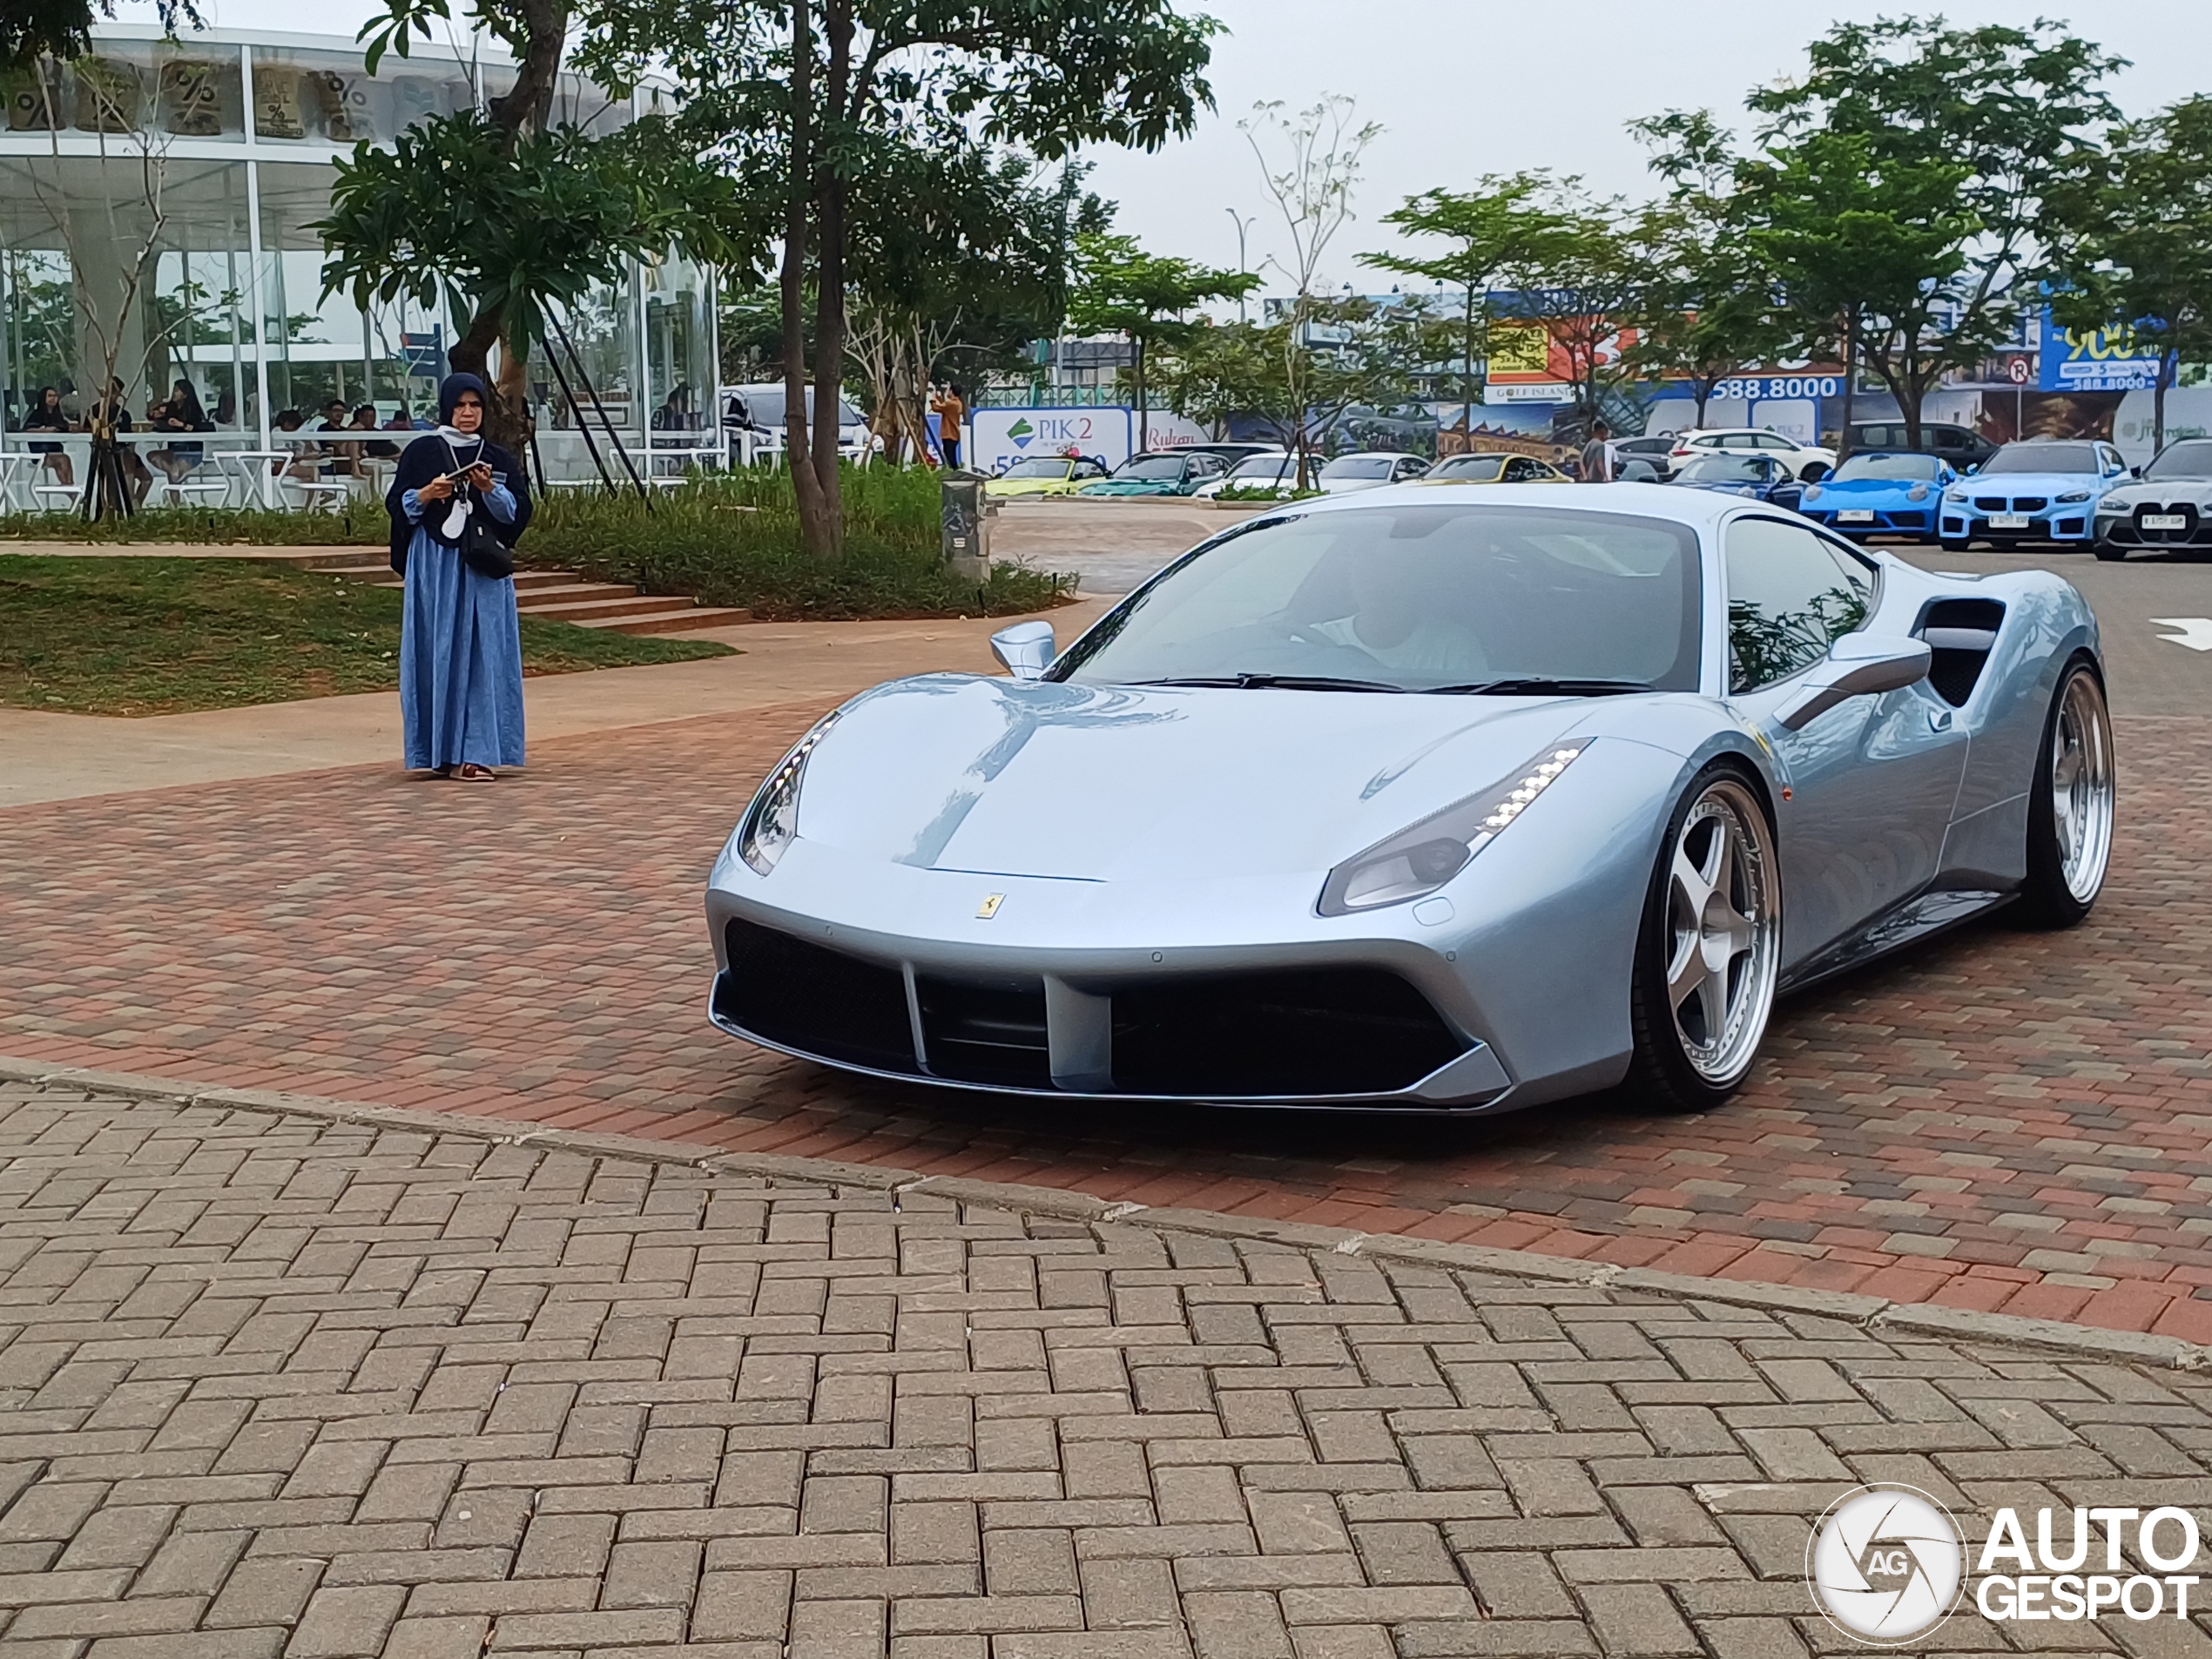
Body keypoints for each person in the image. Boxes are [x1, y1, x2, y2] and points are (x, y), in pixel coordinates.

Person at [386, 372, 532, 781]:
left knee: (483, 654)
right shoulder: (422, 452)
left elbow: (518, 514)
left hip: (483, 569)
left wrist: (490, 490)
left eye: (475, 405)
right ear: (447, 407)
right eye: (460, 405)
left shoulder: (497, 457)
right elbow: (399, 506)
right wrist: (427, 494)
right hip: (435, 566)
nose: (468, 414)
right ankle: (437, 750)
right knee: (438, 652)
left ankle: (477, 750)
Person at [146, 378, 212, 485]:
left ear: (185, 395)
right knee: (154, 457)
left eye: (177, 390)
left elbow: (199, 428)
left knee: (174, 476)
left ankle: (176, 499)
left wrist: (181, 424)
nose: (173, 393)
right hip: (173, 449)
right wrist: (156, 415)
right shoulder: (171, 408)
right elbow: (152, 416)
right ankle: (172, 471)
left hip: (191, 451)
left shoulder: (194, 411)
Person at [20, 385, 71, 489]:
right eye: (50, 396)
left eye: (55, 396)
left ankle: (72, 493)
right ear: (44, 398)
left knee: (61, 468)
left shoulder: (58, 415)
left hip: (55, 450)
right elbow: (27, 429)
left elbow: (64, 427)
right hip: (40, 452)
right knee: (64, 460)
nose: (53, 398)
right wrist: (44, 430)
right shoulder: (37, 414)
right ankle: (73, 492)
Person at [932, 381, 965, 469]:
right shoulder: (957, 403)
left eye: (948, 390)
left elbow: (936, 408)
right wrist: (939, 399)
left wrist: (933, 399)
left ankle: (956, 473)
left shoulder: (952, 404)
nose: (947, 392)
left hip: (950, 435)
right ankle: (955, 472)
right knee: (950, 456)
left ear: (952, 392)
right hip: (953, 435)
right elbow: (945, 407)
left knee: (950, 458)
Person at [1579, 418, 1614, 483]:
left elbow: (1581, 461)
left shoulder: (1589, 443)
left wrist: (1584, 475)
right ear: (1602, 431)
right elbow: (1599, 462)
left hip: (1587, 479)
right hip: (1596, 479)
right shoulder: (1600, 445)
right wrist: (1605, 476)